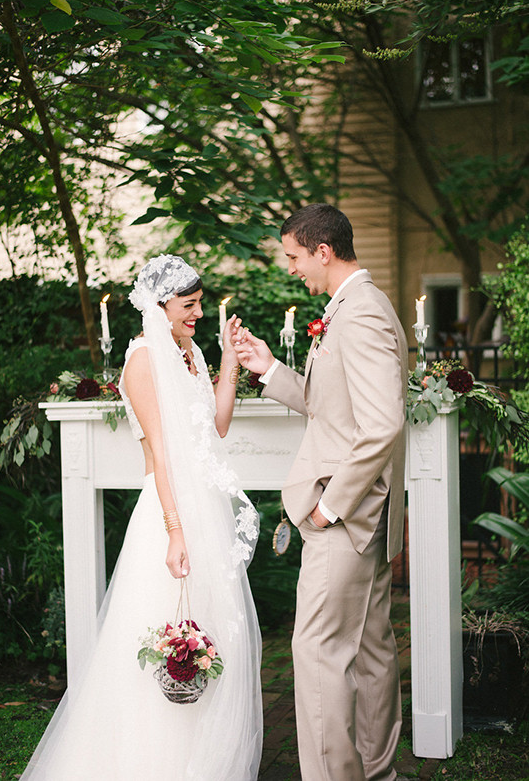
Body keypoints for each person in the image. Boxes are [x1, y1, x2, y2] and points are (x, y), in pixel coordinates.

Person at [21, 254, 263, 781]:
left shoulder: (189, 351)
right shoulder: (142, 360)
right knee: (162, 628)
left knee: (212, 630)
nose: (198, 313)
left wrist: (227, 362)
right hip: (169, 509)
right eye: (190, 305)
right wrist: (176, 532)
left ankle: (203, 757)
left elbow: (215, 428)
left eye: (200, 304)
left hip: (206, 507)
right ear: (160, 306)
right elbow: (164, 453)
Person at [234, 204, 408, 781]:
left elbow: (382, 424)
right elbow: (334, 407)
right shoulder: (357, 307)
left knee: (315, 657)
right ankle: (376, 773)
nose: (291, 268)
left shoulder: (358, 315)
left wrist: (329, 507)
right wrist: (267, 369)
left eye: (293, 256)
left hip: (348, 518)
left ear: (323, 251)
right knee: (373, 652)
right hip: (368, 519)